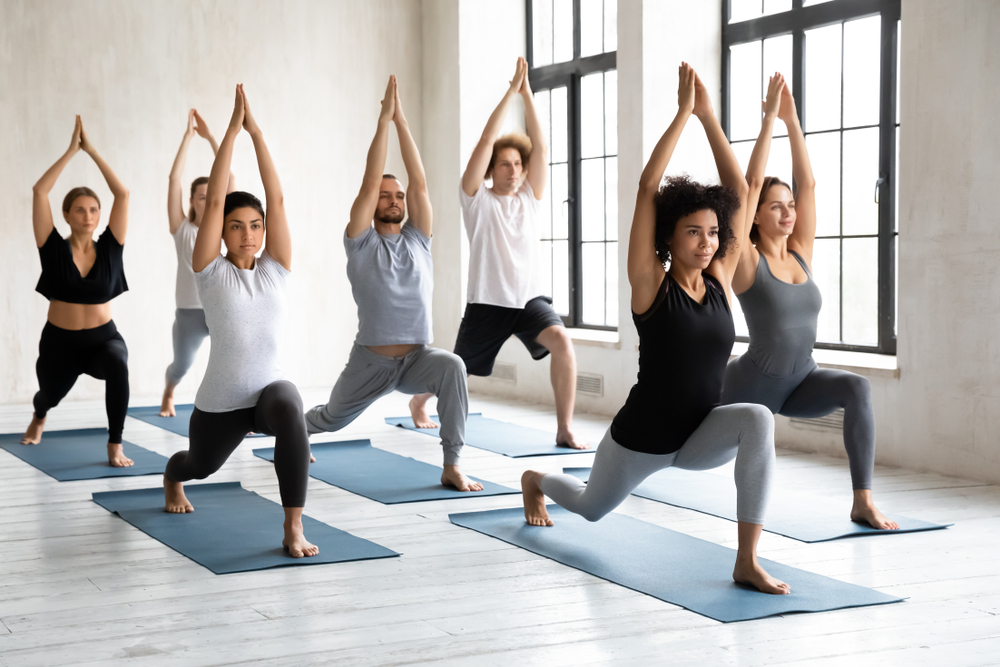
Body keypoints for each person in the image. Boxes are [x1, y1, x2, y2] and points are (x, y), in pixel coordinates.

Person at [522, 65, 793, 595]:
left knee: (757, 419)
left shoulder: (717, 279)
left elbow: (739, 189)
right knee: (589, 508)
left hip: (697, 436)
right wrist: (682, 115)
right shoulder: (650, 284)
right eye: (693, 232)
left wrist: (711, 118)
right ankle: (537, 482)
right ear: (670, 237)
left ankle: (746, 560)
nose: (708, 242)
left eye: (713, 233)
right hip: (640, 441)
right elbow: (649, 187)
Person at [723, 80, 897, 530]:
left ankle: (862, 500)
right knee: (676, 452)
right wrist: (766, 123)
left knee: (857, 388)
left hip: (800, 382)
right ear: (756, 215)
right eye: (775, 206)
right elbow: (750, 183)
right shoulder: (747, 260)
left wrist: (793, 122)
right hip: (748, 388)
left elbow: (810, 183)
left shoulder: (800, 251)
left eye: (790, 205)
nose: (788, 212)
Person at [305, 76, 482, 493]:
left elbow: (420, 183)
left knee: (454, 366)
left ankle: (452, 463)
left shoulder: (420, 240)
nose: (394, 199)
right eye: (386, 195)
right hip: (372, 362)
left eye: (398, 195)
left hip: (416, 359)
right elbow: (368, 183)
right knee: (330, 419)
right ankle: (293, 429)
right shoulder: (361, 243)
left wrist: (402, 120)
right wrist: (383, 123)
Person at [163, 85, 317, 558]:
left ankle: (293, 527)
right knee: (200, 465)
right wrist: (230, 132)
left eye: (255, 225)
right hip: (222, 401)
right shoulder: (209, 271)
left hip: (267, 393)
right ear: (222, 232)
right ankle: (171, 477)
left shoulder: (277, 269)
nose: (247, 234)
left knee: (291, 406)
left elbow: (279, 198)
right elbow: (212, 203)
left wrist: (258, 133)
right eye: (236, 226)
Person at [408, 57, 588, 450]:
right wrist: (508, 95)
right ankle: (420, 399)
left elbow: (542, 145)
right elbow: (483, 144)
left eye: (518, 164)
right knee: (459, 369)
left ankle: (565, 428)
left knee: (562, 341)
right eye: (504, 164)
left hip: (528, 300)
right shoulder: (477, 200)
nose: (513, 170)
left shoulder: (530, 197)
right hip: (489, 302)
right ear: (492, 169)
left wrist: (527, 96)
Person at [22, 116, 133, 468]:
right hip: (60, 343)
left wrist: (94, 152)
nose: (88, 215)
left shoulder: (112, 246)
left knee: (118, 364)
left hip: (103, 339)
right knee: (49, 396)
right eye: (80, 210)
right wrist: (72, 151)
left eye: (94, 209)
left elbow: (123, 193)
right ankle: (39, 416)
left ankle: (115, 444)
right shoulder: (52, 247)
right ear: (67, 215)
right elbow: (40, 192)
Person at [160, 109, 235, 417]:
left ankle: (238, 410)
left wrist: (211, 138)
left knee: (235, 359)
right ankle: (169, 391)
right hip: (189, 312)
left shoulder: (223, 228)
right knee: (181, 365)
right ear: (192, 201)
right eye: (200, 196)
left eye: (210, 196)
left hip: (221, 306)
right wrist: (188, 139)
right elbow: (174, 178)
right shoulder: (182, 230)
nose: (206, 200)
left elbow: (228, 178)